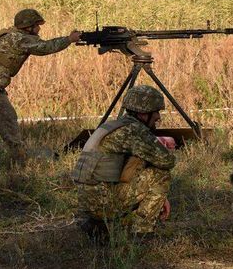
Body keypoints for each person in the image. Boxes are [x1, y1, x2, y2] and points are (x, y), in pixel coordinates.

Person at [0, 8, 81, 164]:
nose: (39, 28)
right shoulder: (19, 38)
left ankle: (20, 159)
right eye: (37, 25)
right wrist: (69, 39)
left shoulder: (17, 36)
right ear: (28, 26)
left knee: (8, 120)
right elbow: (45, 47)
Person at [72, 85, 175, 239]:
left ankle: (100, 226)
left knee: (139, 165)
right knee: (161, 174)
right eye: (156, 112)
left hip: (87, 203)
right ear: (143, 113)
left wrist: (161, 197)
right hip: (104, 203)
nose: (158, 117)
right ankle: (141, 232)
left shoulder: (113, 126)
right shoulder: (133, 131)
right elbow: (167, 161)